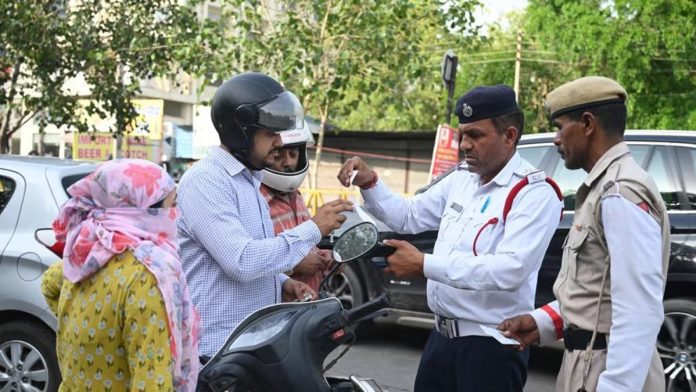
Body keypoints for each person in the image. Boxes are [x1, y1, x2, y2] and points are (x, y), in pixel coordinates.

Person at [337, 85, 564, 392]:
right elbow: (408, 216)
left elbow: (511, 269)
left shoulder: (533, 192)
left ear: (509, 136)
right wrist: (370, 181)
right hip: (441, 340)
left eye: (476, 135)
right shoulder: (462, 179)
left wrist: (424, 265)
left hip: (489, 348)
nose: (465, 145)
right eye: (462, 135)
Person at [498, 76, 669, 392]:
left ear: (588, 123)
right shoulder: (605, 187)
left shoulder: (620, 192)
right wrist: (542, 323)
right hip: (587, 361)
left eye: (560, 126)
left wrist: (615, 387)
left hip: (606, 370)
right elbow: (595, 292)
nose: (555, 138)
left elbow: (638, 310)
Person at [177, 72, 352, 361]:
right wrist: (313, 228)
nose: (280, 141)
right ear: (240, 132)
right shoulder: (207, 181)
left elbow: (255, 255)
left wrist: (282, 283)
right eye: (270, 133)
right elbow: (241, 261)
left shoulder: (248, 181)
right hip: (214, 354)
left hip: (249, 349)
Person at [41, 159, 200, 391]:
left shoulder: (84, 254)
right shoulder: (148, 275)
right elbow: (151, 381)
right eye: (172, 204)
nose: (176, 214)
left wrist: (87, 329)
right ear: (147, 211)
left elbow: (49, 284)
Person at [259, 125, 334, 292]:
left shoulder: (295, 196)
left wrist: (323, 257)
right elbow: (250, 263)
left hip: (307, 308)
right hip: (277, 312)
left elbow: (306, 243)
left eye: (293, 154)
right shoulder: (258, 201)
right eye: (279, 154)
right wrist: (293, 266)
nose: (289, 163)